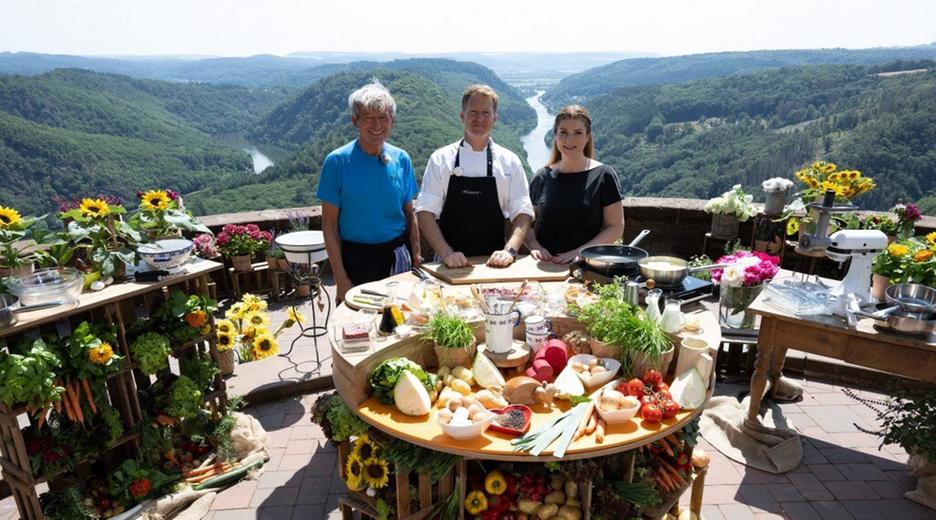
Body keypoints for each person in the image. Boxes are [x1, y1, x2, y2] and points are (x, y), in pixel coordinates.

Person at [317, 80, 420, 302]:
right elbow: (329, 225)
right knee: (357, 329)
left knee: (401, 325)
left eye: (383, 117)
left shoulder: (401, 159)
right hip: (356, 259)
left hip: (398, 257)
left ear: (392, 121)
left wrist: (417, 258)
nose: (377, 125)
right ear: (355, 121)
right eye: (368, 118)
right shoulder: (337, 162)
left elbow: (410, 214)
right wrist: (341, 279)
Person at [415, 84, 534, 268]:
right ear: (462, 116)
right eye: (473, 112)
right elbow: (424, 212)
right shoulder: (440, 159)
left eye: (486, 113)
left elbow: (523, 212)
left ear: (495, 117)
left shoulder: (510, 161)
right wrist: (446, 253)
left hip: (494, 264)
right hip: (449, 264)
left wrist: (509, 251)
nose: (479, 118)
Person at [525, 105, 624, 264]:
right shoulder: (542, 177)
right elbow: (524, 222)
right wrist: (534, 245)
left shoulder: (604, 175)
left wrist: (581, 252)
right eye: (563, 132)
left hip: (585, 266)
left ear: (587, 137)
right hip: (545, 266)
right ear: (555, 135)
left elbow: (615, 227)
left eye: (577, 133)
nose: (569, 140)